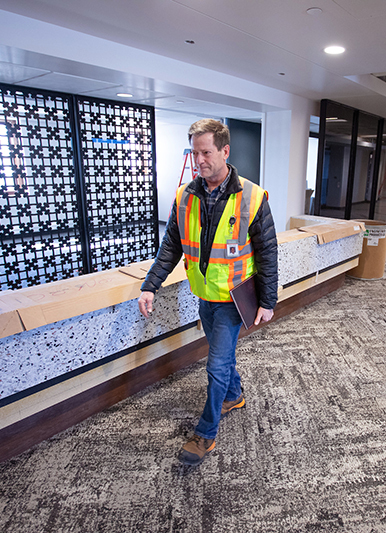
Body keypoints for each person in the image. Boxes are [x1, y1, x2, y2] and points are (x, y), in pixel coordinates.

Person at [138, 119, 278, 466]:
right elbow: (171, 244)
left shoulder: (253, 196)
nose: (198, 160)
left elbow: (268, 252)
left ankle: (206, 434)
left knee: (215, 366)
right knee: (223, 356)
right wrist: (150, 284)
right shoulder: (185, 195)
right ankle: (235, 395)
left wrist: (268, 301)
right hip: (204, 296)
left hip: (233, 298)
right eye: (194, 152)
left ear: (225, 151)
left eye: (206, 152)